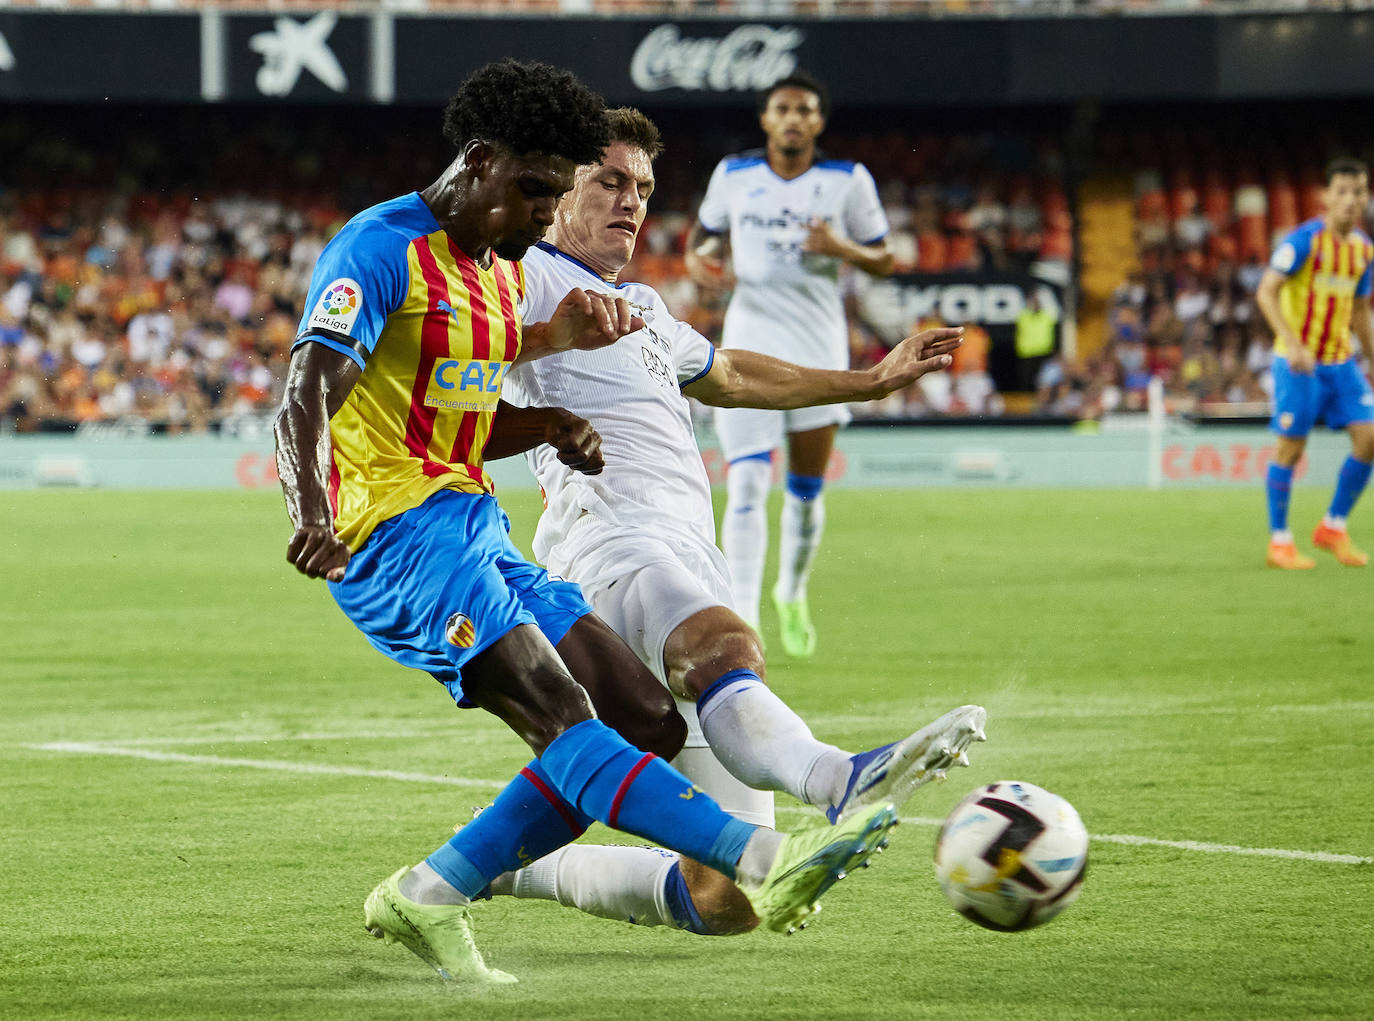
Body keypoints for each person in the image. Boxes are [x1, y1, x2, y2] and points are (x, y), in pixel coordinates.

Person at [274, 60, 900, 986]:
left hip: (468, 519)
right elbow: (305, 389)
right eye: (536, 190)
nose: (541, 213)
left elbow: (459, 415)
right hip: (391, 534)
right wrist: (312, 511)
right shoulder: (379, 248)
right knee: (560, 714)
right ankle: (763, 857)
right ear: (480, 162)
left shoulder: (494, 273)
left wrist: (551, 423)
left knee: (643, 719)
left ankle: (434, 891)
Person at [496, 107, 986, 936]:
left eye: (643, 187)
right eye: (610, 180)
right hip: (607, 538)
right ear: (560, 186)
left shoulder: (645, 304)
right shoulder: (519, 279)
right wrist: (543, 345)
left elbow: (729, 373)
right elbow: (458, 357)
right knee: (724, 644)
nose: (630, 200)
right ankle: (841, 778)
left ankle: (505, 869)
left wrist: (868, 380)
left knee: (728, 900)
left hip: (688, 551)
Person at [685, 71, 895, 658]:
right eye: (783, 108)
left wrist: (843, 249)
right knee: (748, 480)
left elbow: (886, 259)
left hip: (819, 343)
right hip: (749, 335)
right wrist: (702, 265)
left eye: (805, 109)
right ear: (767, 119)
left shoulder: (847, 180)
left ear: (819, 122)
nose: (794, 118)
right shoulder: (733, 174)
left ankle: (792, 590)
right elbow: (701, 242)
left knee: (805, 490)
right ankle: (743, 618)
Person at [1255, 156, 1374, 569]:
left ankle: (1332, 528)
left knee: (1370, 437)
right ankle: (1279, 541)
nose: (1349, 200)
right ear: (1325, 196)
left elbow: (1360, 311)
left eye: (1357, 191)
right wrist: (1293, 342)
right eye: (1341, 191)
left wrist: (1373, 361)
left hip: (1341, 363)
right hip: (1297, 362)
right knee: (1291, 447)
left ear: (1366, 197)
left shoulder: (1363, 250)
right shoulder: (1302, 241)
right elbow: (1266, 292)